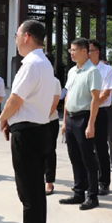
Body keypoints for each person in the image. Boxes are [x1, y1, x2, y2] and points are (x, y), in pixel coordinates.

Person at [0, 20, 56, 223]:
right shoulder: (45, 63)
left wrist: (2, 118)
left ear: (26, 37)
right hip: (40, 129)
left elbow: (15, 99)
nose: (15, 41)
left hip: (27, 133)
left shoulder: (31, 64)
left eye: (16, 35)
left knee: (28, 191)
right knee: (35, 189)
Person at [59, 38, 102, 211]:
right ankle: (79, 193)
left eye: (74, 50)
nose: (71, 53)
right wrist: (64, 121)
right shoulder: (72, 71)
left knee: (88, 159)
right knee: (74, 157)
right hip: (70, 119)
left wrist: (91, 124)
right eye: (70, 50)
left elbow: (95, 99)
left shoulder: (92, 72)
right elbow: (68, 96)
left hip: (84, 118)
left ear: (85, 51)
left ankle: (92, 196)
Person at [88, 39, 112, 195]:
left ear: (97, 52)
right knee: (85, 149)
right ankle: (88, 181)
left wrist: (92, 103)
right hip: (84, 113)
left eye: (90, 50)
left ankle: (104, 182)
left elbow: (105, 93)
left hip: (101, 112)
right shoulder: (82, 70)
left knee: (100, 148)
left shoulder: (107, 70)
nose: (87, 53)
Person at [45, 54, 62, 196]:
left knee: (49, 151)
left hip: (49, 121)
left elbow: (54, 103)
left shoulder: (55, 81)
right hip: (33, 121)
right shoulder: (32, 78)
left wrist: (43, 118)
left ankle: (49, 182)